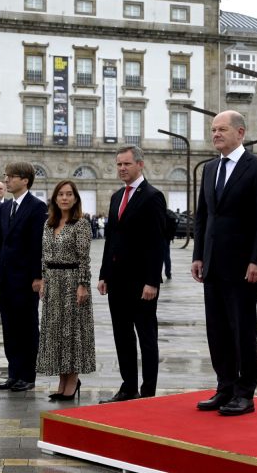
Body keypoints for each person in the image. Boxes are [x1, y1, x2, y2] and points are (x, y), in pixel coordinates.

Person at [191, 110, 257, 416]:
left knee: (241, 328)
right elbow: (203, 217)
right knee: (217, 329)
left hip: (243, 266)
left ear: (240, 133)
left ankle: (244, 392)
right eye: (213, 130)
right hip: (213, 263)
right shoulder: (210, 169)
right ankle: (224, 386)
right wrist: (198, 254)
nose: (216, 134)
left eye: (222, 129)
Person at [98, 145, 166, 403]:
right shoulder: (116, 197)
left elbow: (156, 242)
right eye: (119, 164)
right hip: (117, 280)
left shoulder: (152, 196)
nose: (122, 168)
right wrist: (104, 274)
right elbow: (111, 239)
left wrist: (152, 280)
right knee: (122, 335)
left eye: (126, 164)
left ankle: (148, 392)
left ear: (140, 164)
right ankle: (128, 387)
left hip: (141, 282)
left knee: (146, 337)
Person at [37, 180, 96, 401]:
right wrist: (43, 279)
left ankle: (72, 381)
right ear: (54, 198)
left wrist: (83, 285)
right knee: (55, 333)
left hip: (72, 282)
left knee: (72, 333)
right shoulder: (48, 224)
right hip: (52, 283)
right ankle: (62, 381)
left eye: (69, 194)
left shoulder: (80, 224)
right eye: (60, 194)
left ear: (75, 198)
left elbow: (84, 259)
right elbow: (43, 255)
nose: (64, 198)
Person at [0, 163, 47, 392]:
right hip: (6, 277)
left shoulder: (37, 207)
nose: (7, 180)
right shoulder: (5, 207)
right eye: (6, 176)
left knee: (26, 327)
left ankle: (28, 375)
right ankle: (13, 373)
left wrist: (37, 276)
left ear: (25, 180)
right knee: (10, 328)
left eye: (11, 176)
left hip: (26, 279)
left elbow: (37, 244)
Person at [163, 208, 178, 280]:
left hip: (161, 237)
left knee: (157, 257)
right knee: (167, 257)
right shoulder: (170, 214)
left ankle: (158, 274)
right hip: (167, 238)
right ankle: (168, 273)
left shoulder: (161, 213)